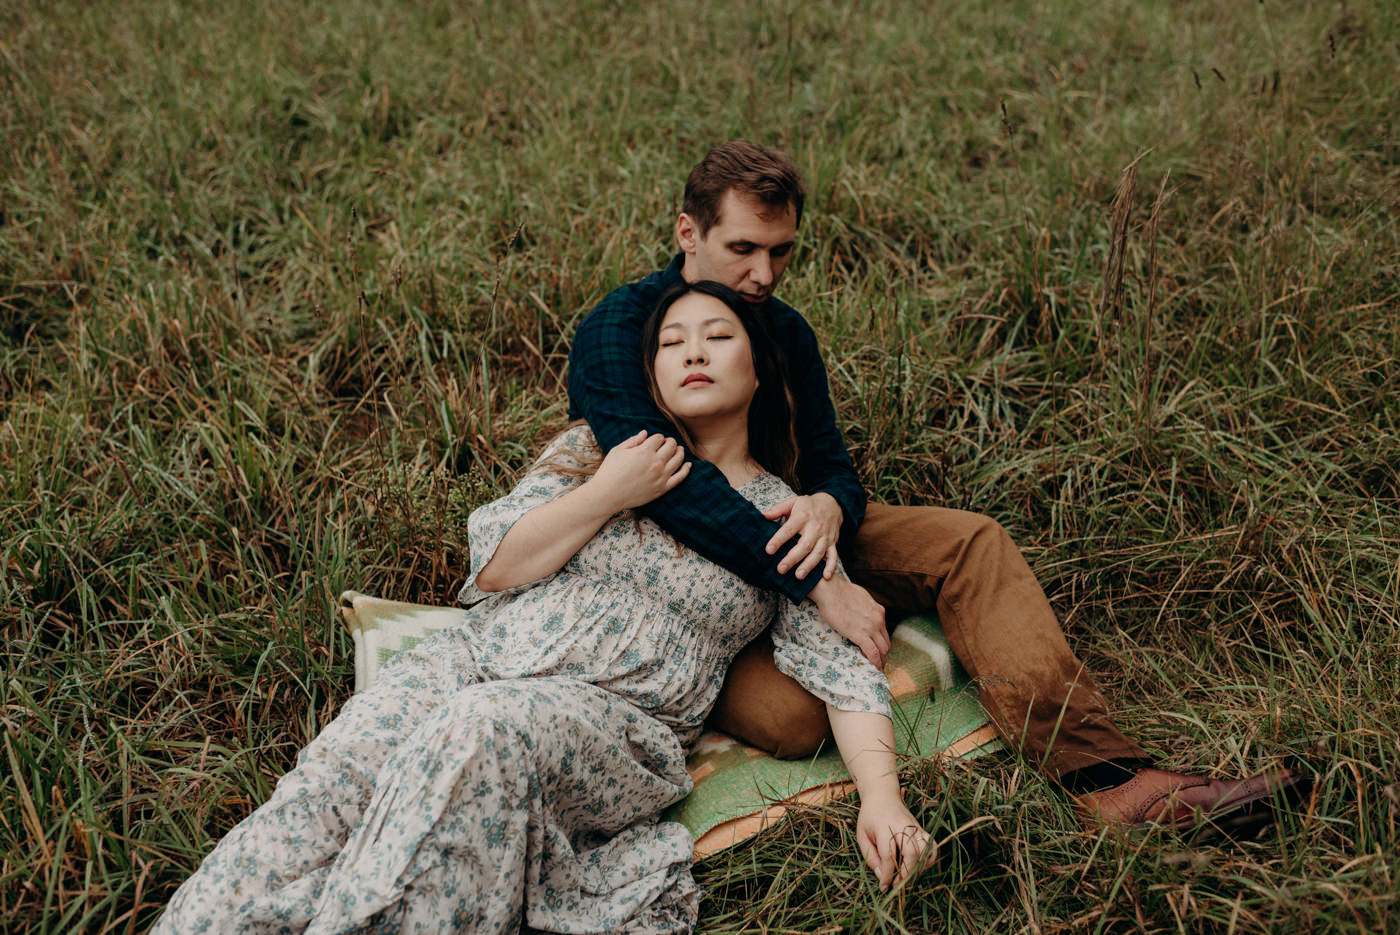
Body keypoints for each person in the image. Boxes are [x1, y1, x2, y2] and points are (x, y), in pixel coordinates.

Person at [568, 139, 1304, 834]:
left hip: (788, 524)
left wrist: (829, 504)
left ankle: (1107, 780)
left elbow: (831, 465)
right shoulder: (621, 326)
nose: (764, 274)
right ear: (688, 233)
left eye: (781, 251)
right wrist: (821, 582)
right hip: (668, 568)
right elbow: (665, 484)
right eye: (743, 250)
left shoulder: (782, 330)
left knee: (968, 541)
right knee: (797, 715)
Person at [152, 280, 928, 934]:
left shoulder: (782, 512)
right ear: (650, 373)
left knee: (482, 732)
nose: (692, 351)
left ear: (757, 369)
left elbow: (838, 669)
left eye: (718, 336)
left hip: (613, 721)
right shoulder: (598, 448)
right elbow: (495, 567)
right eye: (671, 342)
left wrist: (884, 801)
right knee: (330, 784)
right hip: (474, 656)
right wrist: (609, 492)